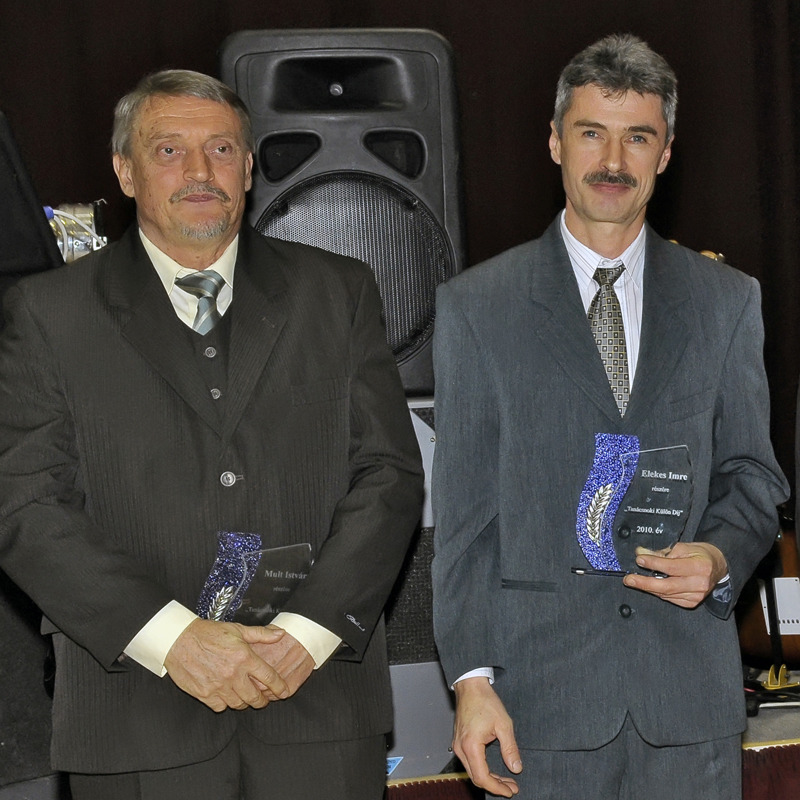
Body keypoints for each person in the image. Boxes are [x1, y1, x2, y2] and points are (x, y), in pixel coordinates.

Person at [0, 69, 424, 800]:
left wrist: (309, 634)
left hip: (317, 702)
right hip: (133, 711)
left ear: (249, 168)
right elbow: (24, 504)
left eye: (221, 149)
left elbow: (390, 475)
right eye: (168, 151)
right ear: (125, 172)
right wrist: (172, 640)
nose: (199, 171)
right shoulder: (48, 314)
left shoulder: (340, 291)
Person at [431, 34, 788, 800]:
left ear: (666, 153)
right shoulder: (477, 307)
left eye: (639, 137)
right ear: (555, 142)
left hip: (687, 702)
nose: (613, 161)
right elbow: (465, 520)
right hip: (537, 705)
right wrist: (471, 680)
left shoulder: (727, 302)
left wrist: (718, 557)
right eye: (592, 133)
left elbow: (753, 478)